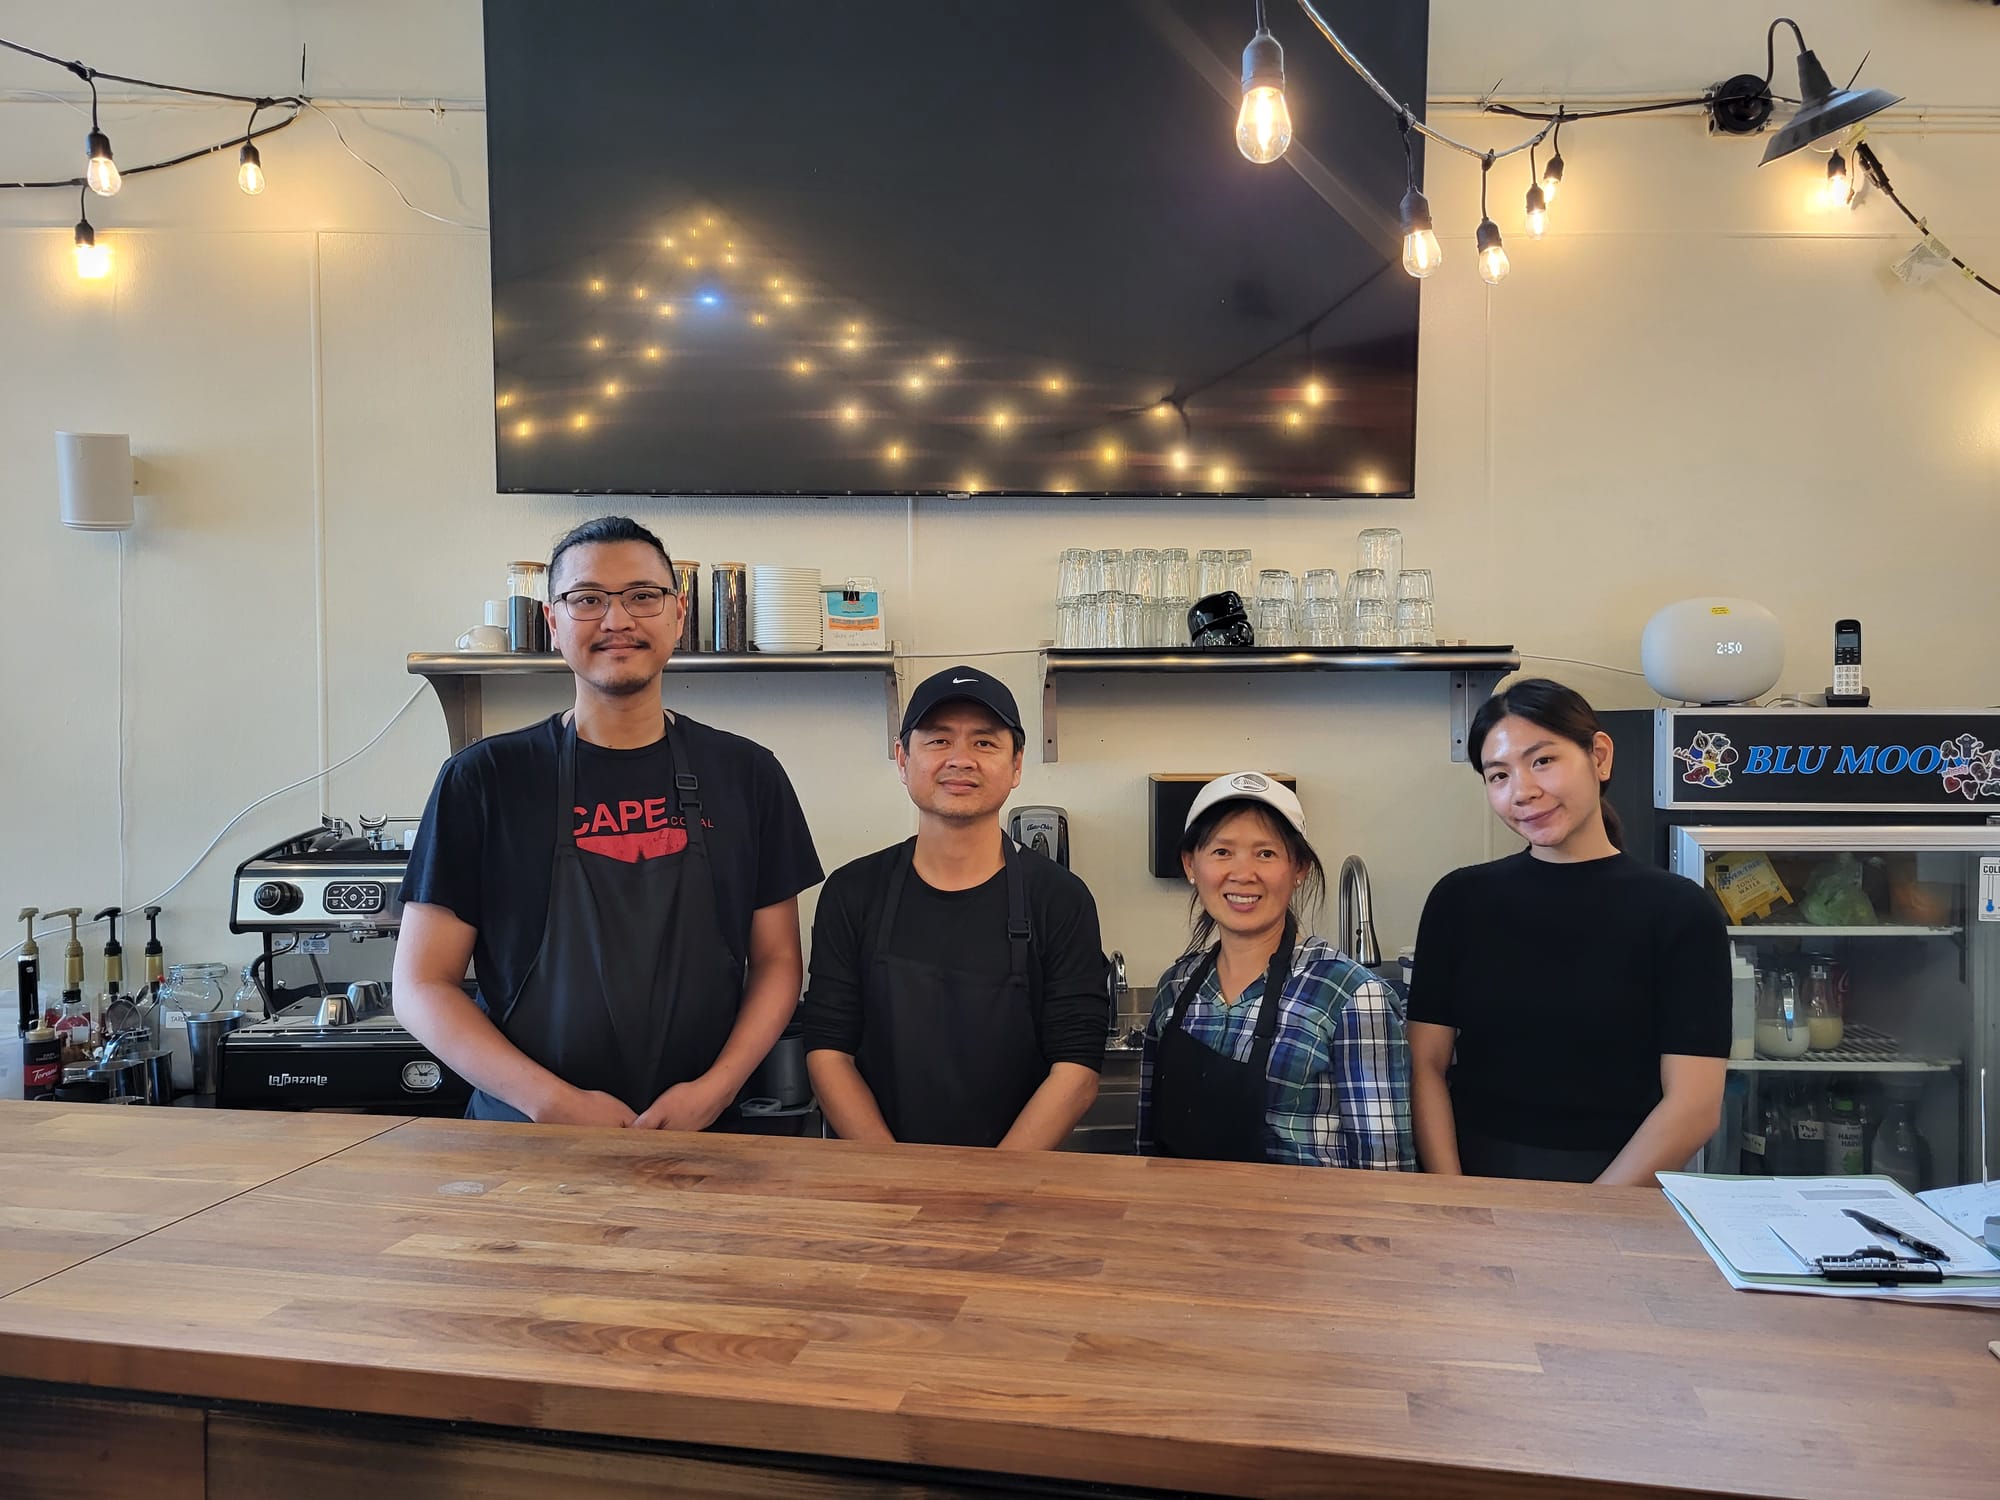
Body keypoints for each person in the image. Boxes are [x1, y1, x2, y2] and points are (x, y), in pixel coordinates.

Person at [394, 516, 822, 1127]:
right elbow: (421, 985)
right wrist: (551, 1102)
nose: (616, 620)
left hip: (705, 1133)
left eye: (642, 597)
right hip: (526, 1135)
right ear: (553, 623)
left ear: (677, 615)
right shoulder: (484, 778)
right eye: (587, 599)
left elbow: (779, 961)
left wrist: (716, 1090)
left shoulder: (747, 774)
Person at [1407, 678, 1729, 1184]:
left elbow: (1693, 1105)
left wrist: (1587, 1215)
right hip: (1475, 1179)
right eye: (1498, 775)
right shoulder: (1460, 901)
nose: (1523, 791)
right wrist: (1453, 1193)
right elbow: (1425, 1067)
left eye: (1543, 761)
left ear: (1599, 757)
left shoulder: (1678, 911)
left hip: (1624, 1186)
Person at [802, 666, 1107, 1148]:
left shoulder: (1060, 899)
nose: (961, 760)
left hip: (1013, 1185)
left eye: (984, 743)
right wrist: (894, 1173)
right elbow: (827, 1049)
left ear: (1017, 765)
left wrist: (991, 1185)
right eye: (939, 741)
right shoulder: (853, 891)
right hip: (881, 1182)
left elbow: (1077, 1068)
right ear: (903, 759)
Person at [1138, 773, 1413, 1168]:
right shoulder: (1176, 987)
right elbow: (1146, 1153)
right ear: (1190, 865)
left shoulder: (1351, 995)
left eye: (1265, 853)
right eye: (1222, 852)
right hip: (1181, 1222)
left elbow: (1386, 1173)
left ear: (1298, 868)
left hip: (1304, 1226)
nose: (1243, 873)